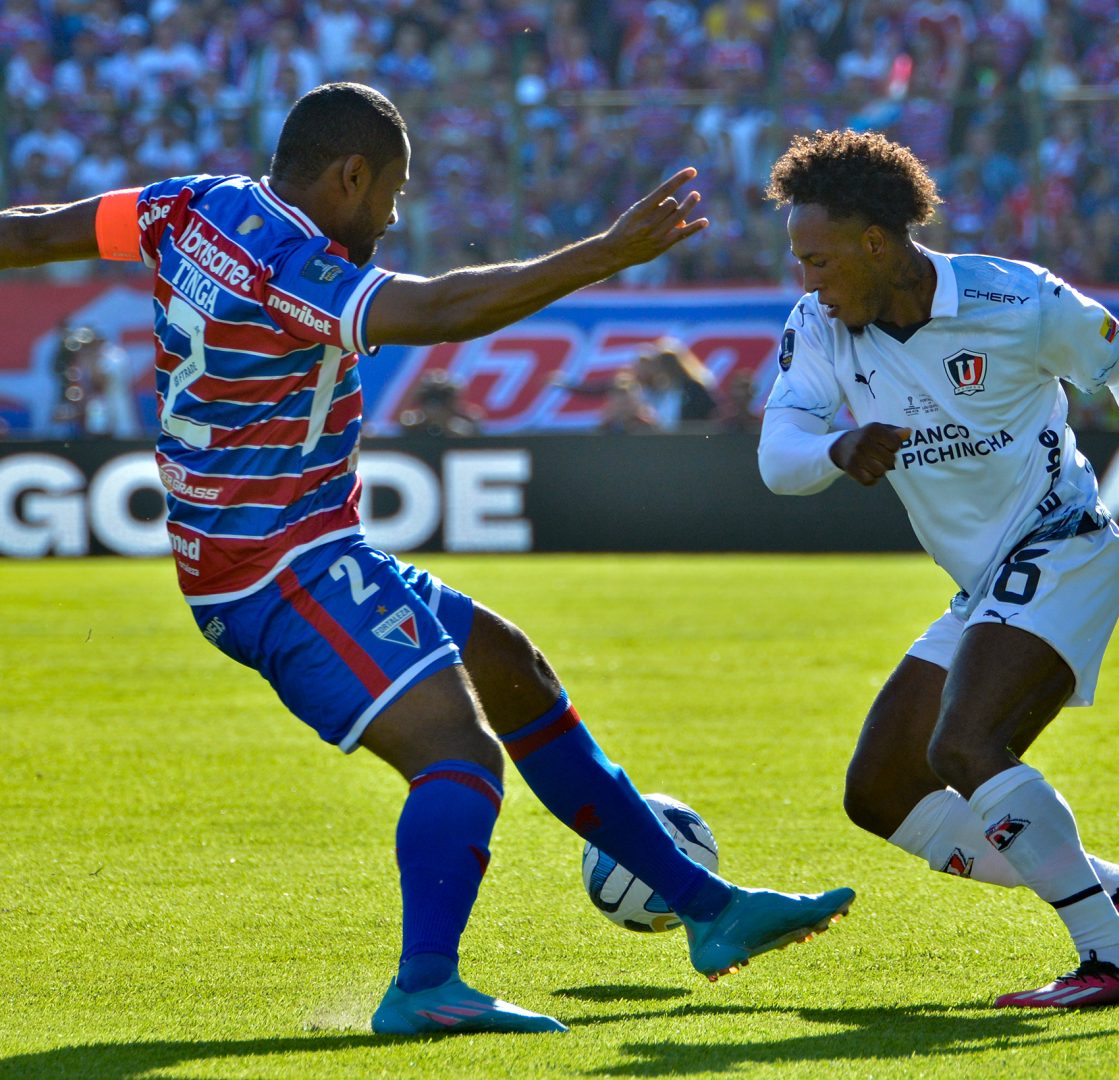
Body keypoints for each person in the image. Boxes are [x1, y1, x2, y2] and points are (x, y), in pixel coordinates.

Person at [0, 82, 853, 1037]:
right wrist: (605, 255)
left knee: (512, 669)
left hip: (296, 546)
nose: (395, 216)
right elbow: (441, 311)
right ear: (351, 175)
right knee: (458, 754)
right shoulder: (294, 264)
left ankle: (710, 910)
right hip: (278, 569)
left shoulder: (191, 204)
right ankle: (425, 985)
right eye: (393, 193)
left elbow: (31, 233)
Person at [757, 130, 1119, 1010]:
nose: (808, 280)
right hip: (984, 586)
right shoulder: (821, 327)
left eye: (820, 259)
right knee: (880, 790)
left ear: (876, 243)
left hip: (1064, 546)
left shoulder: (1013, 298)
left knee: (963, 746)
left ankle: (1115, 964)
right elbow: (778, 454)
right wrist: (838, 446)